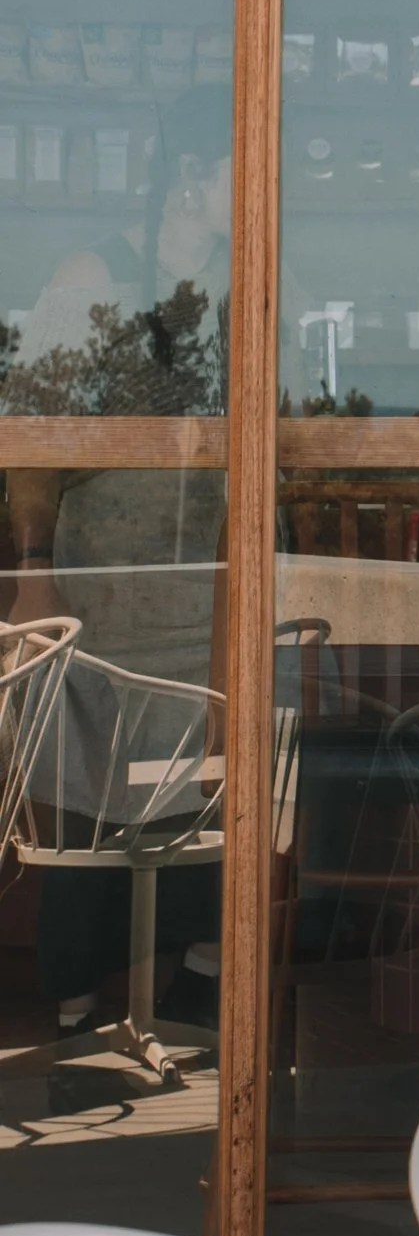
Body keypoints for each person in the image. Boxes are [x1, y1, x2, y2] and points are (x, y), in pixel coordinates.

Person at [5, 85, 231, 1037]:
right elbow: (31, 442)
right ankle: (77, 994)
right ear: (186, 179)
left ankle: (192, 974)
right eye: (234, 165)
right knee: (91, 799)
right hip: (104, 602)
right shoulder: (95, 275)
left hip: (204, 602)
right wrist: (30, 570)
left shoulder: (247, 281)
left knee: (203, 797)